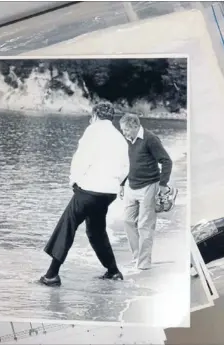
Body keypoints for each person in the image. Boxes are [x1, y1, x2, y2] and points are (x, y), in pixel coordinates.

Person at [40, 102, 130, 286]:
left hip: (90, 189)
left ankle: (51, 274)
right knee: (96, 230)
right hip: (109, 192)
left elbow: (81, 159)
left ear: (95, 115)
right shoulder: (119, 137)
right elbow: (125, 168)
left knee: (68, 224)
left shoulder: (93, 130)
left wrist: (74, 182)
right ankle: (113, 271)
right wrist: (115, 184)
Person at [119, 113, 177, 270]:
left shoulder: (150, 139)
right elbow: (131, 164)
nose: (124, 134)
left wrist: (163, 184)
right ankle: (137, 256)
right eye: (122, 130)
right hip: (131, 186)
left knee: (145, 226)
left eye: (126, 130)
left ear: (136, 126)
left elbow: (166, 161)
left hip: (149, 186)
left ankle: (143, 264)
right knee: (128, 221)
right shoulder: (128, 140)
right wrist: (123, 184)